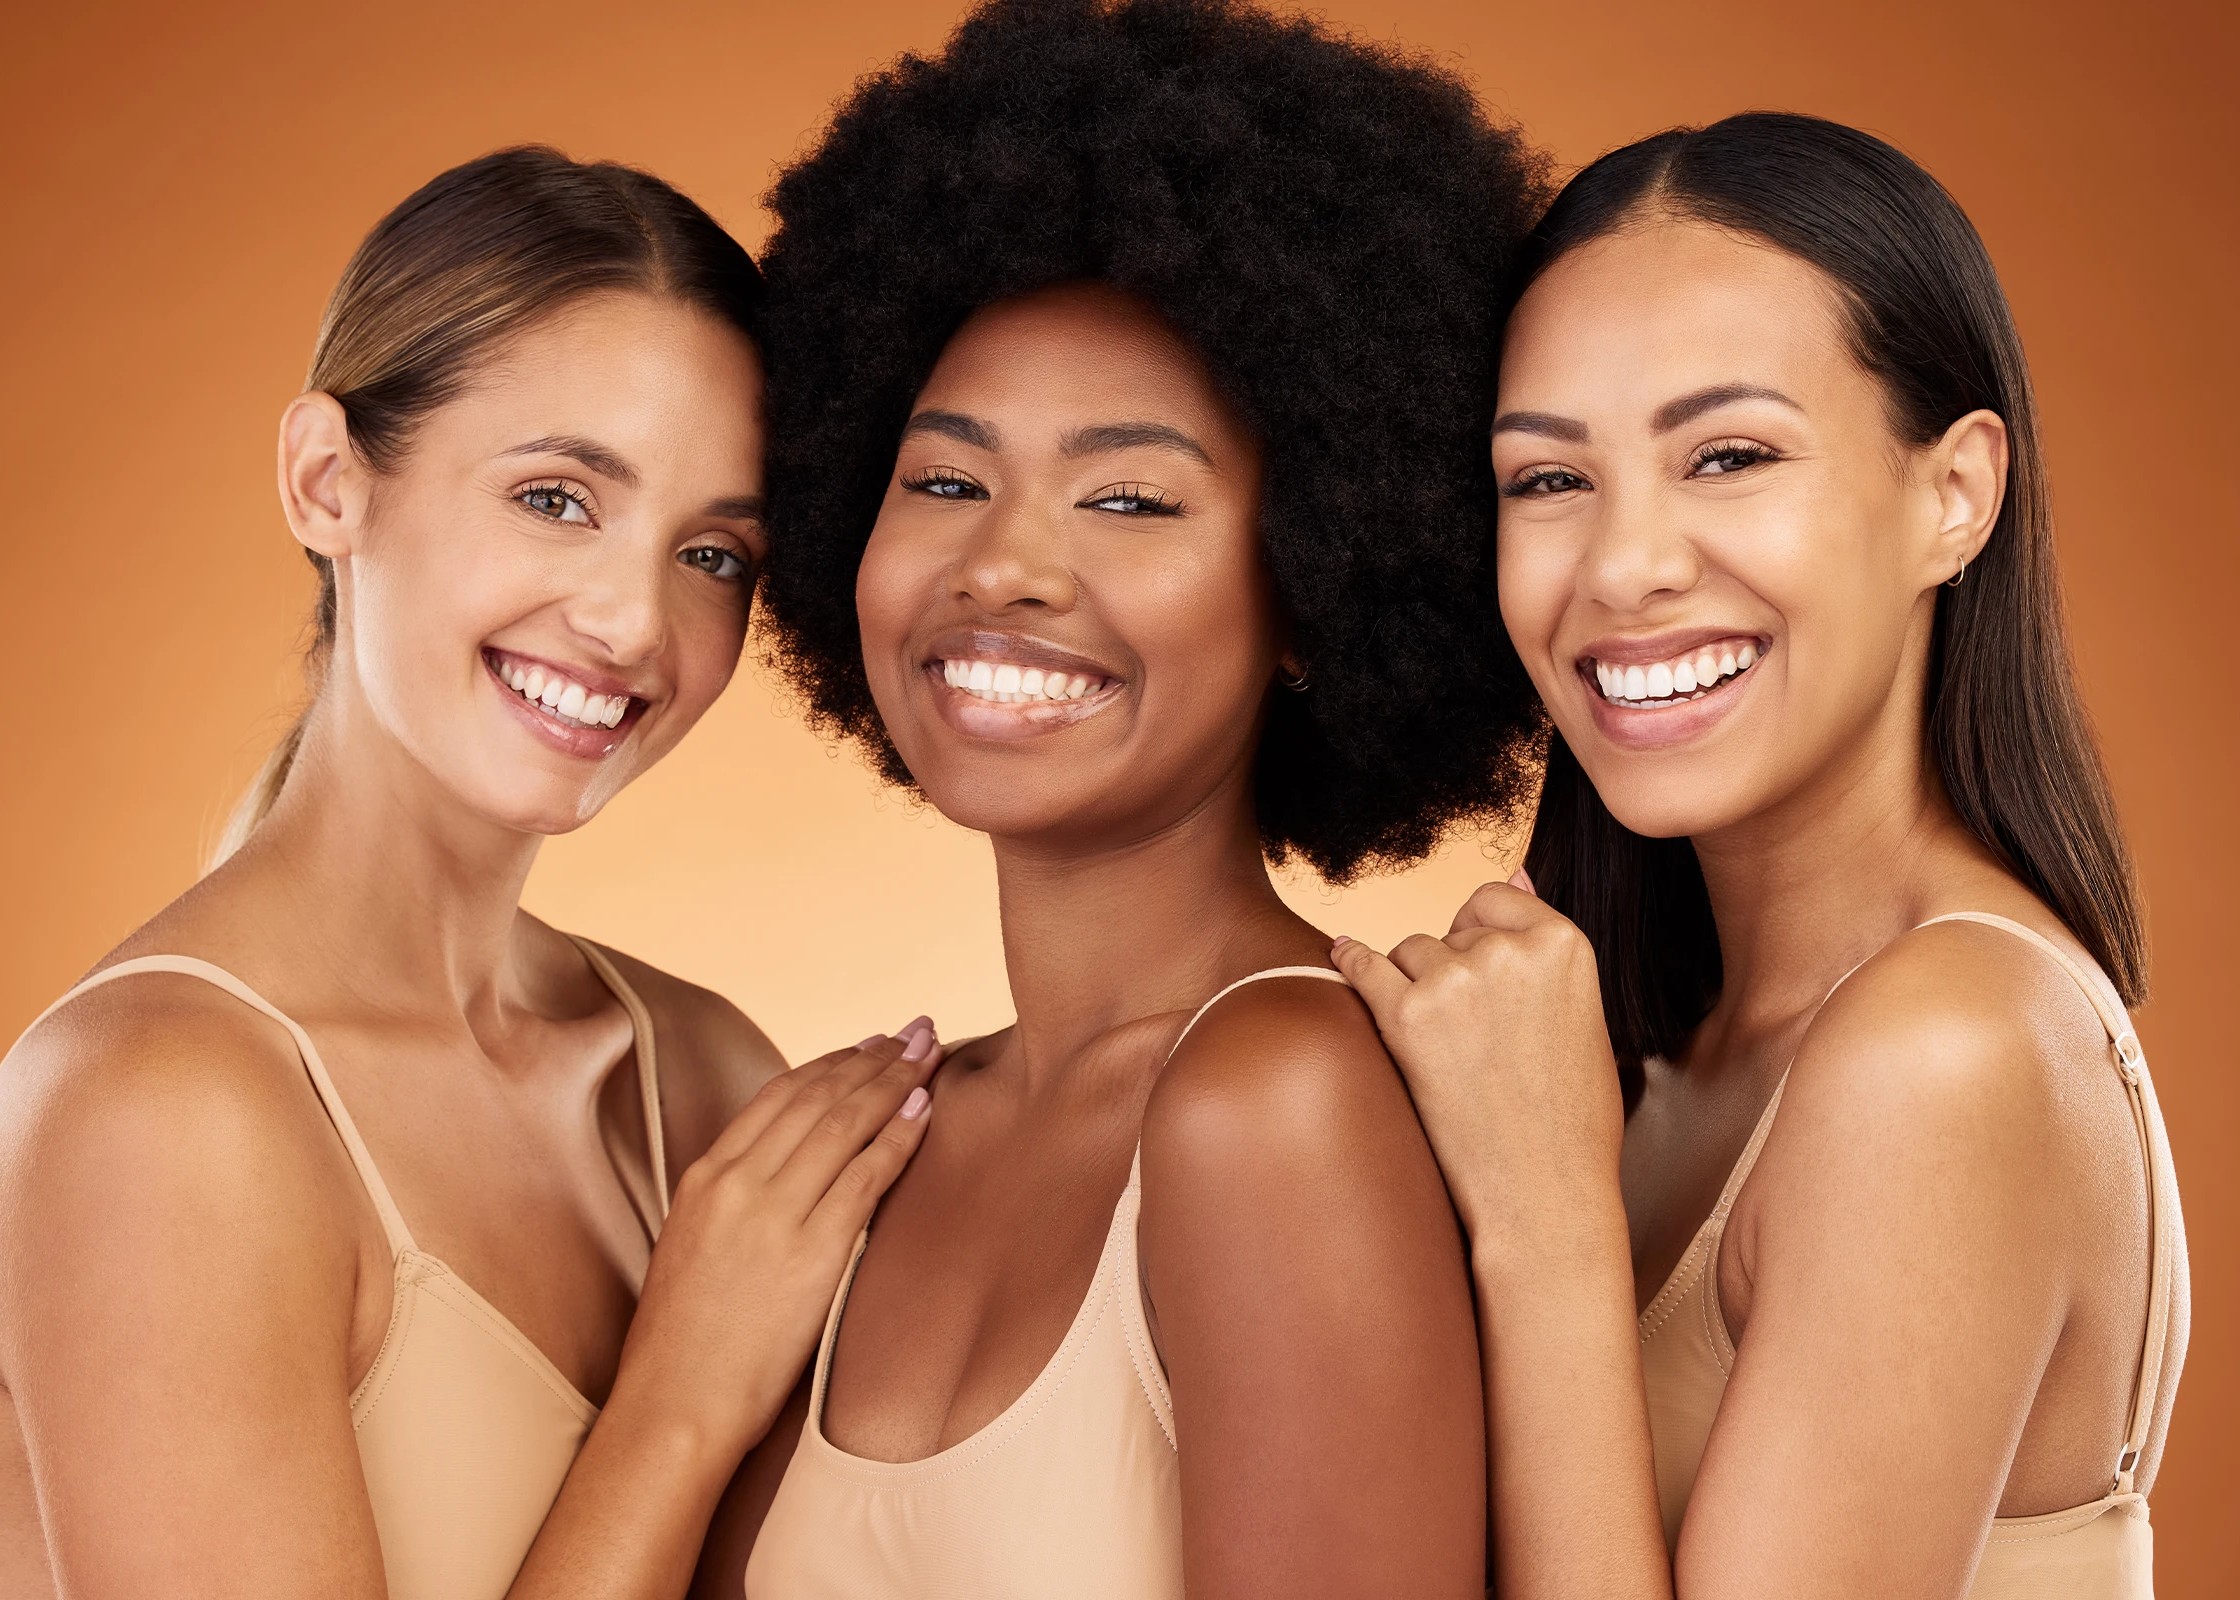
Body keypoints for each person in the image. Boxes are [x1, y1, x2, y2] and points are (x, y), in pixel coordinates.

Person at [0, 147, 938, 1600]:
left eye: (710, 552)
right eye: (558, 498)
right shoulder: (160, 1112)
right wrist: (679, 1402)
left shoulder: (697, 1075)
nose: (633, 621)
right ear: (327, 481)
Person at [693, 2, 1548, 1594]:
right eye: (944, 479)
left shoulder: (1274, 1103)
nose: (1002, 562)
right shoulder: (863, 1150)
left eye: (1131, 497)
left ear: (1311, 587)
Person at [1334, 112, 2190, 1599]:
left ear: (1955, 494)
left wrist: (1544, 1228)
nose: (1621, 565)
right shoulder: (1637, 1046)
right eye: (1547, 480)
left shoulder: (1951, 1052)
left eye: (1727, 456)